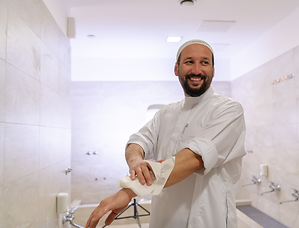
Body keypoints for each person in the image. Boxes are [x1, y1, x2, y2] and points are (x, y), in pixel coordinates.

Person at [85, 39, 246, 228]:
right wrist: (136, 161)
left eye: (204, 62)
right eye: (189, 62)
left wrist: (128, 191)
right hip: (164, 219)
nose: (196, 70)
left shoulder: (229, 110)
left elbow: (193, 159)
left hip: (207, 220)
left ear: (213, 70)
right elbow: (138, 141)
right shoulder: (166, 113)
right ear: (177, 69)